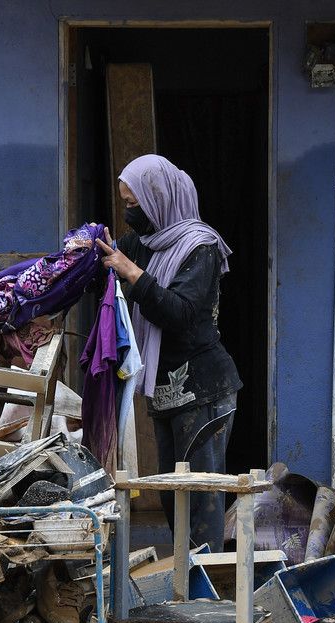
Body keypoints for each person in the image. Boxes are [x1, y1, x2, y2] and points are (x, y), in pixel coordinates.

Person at [95, 154, 240, 553]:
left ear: (157, 199)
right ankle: (185, 586)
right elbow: (103, 269)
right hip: (166, 393)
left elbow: (183, 313)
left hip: (204, 391)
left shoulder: (200, 245)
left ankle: (204, 595)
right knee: (171, 497)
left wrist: (133, 274)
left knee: (199, 501)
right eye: (124, 203)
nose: (128, 213)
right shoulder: (141, 244)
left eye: (133, 203)